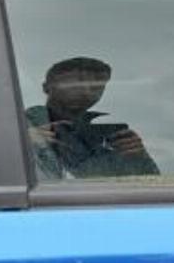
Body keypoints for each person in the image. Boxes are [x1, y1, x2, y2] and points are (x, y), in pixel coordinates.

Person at [26, 57, 159, 178]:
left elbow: (149, 185)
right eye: (76, 84)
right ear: (46, 87)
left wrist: (138, 157)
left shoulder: (102, 139)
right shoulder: (20, 127)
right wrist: (23, 144)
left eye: (96, 87)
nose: (86, 92)